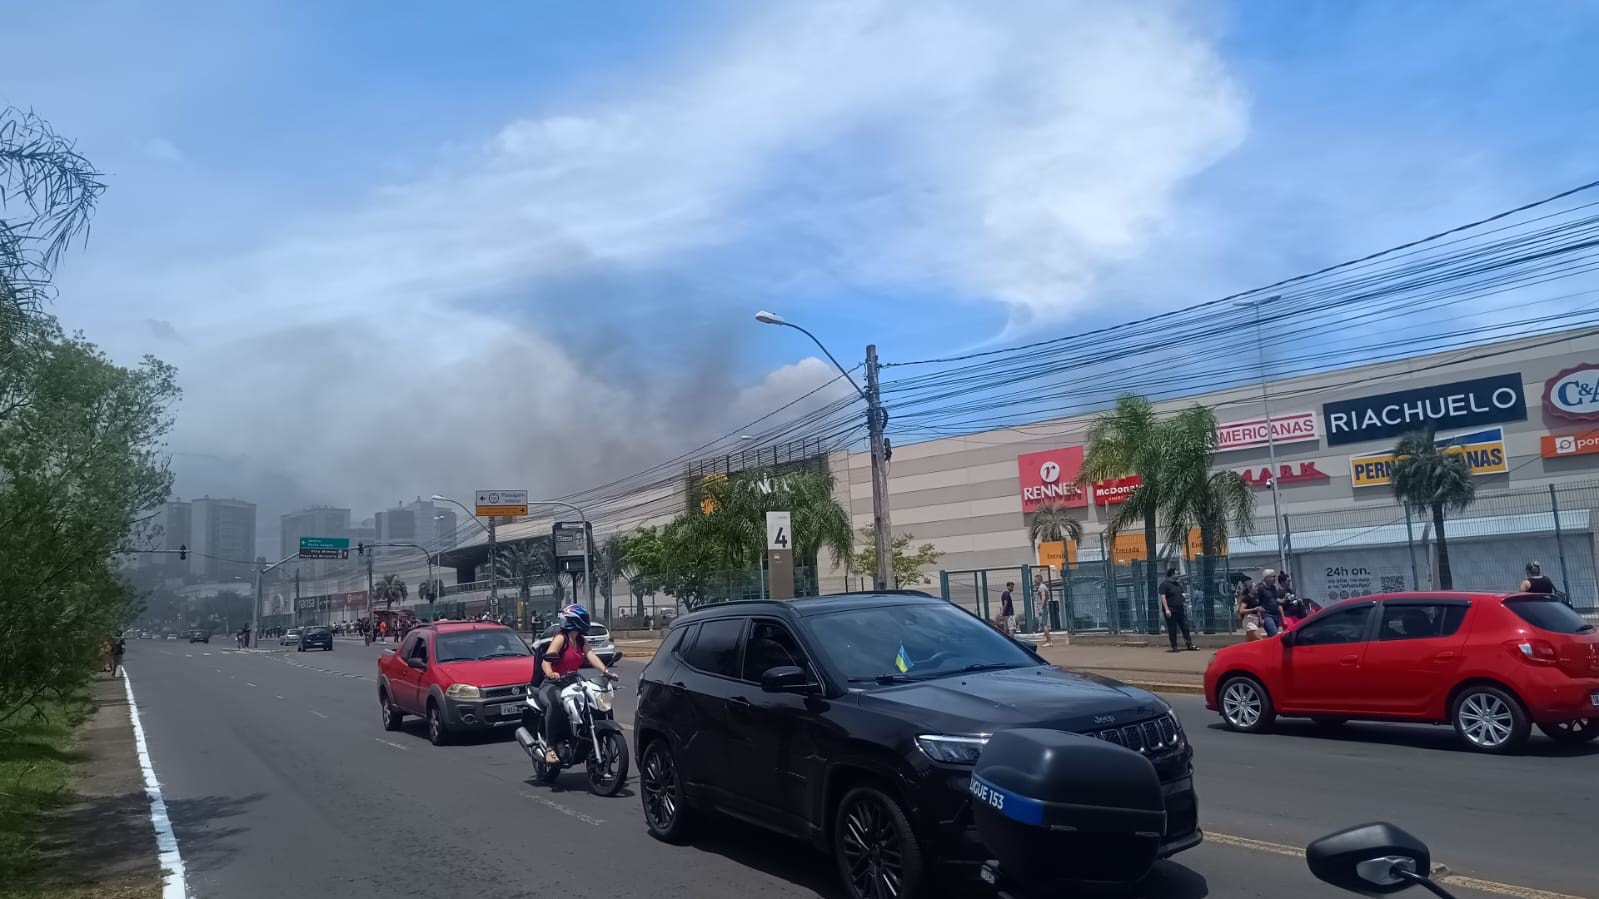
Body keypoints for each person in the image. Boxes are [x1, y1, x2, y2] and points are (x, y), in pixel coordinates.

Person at [534, 604, 612, 764]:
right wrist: (550, 673)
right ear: (574, 621)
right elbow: (546, 659)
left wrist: (606, 671)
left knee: (596, 699)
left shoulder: (580, 640)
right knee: (555, 704)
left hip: (573, 681)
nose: (587, 622)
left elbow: (591, 656)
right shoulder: (561, 638)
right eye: (584, 619)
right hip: (552, 684)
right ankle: (550, 748)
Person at [1158, 568, 1196, 652]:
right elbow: (1163, 597)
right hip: (1171, 610)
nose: (1178, 574)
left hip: (1180, 609)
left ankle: (1189, 644)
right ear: (1172, 574)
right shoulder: (1164, 585)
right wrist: (1167, 609)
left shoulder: (1177, 584)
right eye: (1177, 573)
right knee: (1172, 628)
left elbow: (1181, 594)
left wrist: (1185, 597)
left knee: (1185, 627)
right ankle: (1174, 646)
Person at [1256, 569, 1282, 637]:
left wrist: (1284, 600)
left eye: (1275, 577)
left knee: (1273, 636)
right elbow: (1256, 604)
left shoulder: (1273, 587)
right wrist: (1259, 618)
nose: (1274, 579)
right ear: (1266, 578)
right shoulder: (1260, 588)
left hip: (1275, 615)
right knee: (1274, 634)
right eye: (1273, 577)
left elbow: (1275, 599)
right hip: (1266, 615)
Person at [1033, 572, 1054, 648]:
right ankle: (1048, 640)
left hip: (1043, 608)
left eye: (1035, 580)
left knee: (1043, 624)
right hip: (1043, 607)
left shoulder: (1041, 587)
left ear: (1039, 580)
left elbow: (1044, 597)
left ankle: (1049, 641)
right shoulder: (1041, 587)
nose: (1034, 582)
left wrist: (1041, 608)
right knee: (1043, 624)